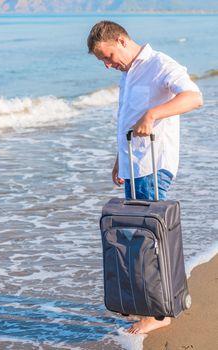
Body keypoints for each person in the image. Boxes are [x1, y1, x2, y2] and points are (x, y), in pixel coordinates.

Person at [87, 21, 203, 335]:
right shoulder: (127, 74)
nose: (109, 65)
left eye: (108, 56)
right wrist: (118, 160)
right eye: (103, 61)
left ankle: (158, 312)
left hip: (153, 165)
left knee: (147, 241)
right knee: (138, 239)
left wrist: (153, 115)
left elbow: (194, 97)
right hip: (134, 165)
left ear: (121, 40)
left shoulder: (159, 64)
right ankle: (150, 301)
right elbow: (129, 117)